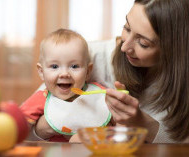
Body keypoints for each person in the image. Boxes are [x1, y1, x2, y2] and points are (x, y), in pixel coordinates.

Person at [70, 0, 189, 143]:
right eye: (126, 28)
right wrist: (44, 127)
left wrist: (143, 123)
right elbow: (39, 113)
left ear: (174, 48)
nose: (124, 47)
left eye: (143, 43)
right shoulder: (86, 57)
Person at [20, 29, 112, 142]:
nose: (64, 74)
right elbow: (19, 125)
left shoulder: (99, 94)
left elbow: (118, 122)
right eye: (54, 67)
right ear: (41, 72)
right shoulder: (42, 98)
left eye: (74, 66)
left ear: (88, 71)